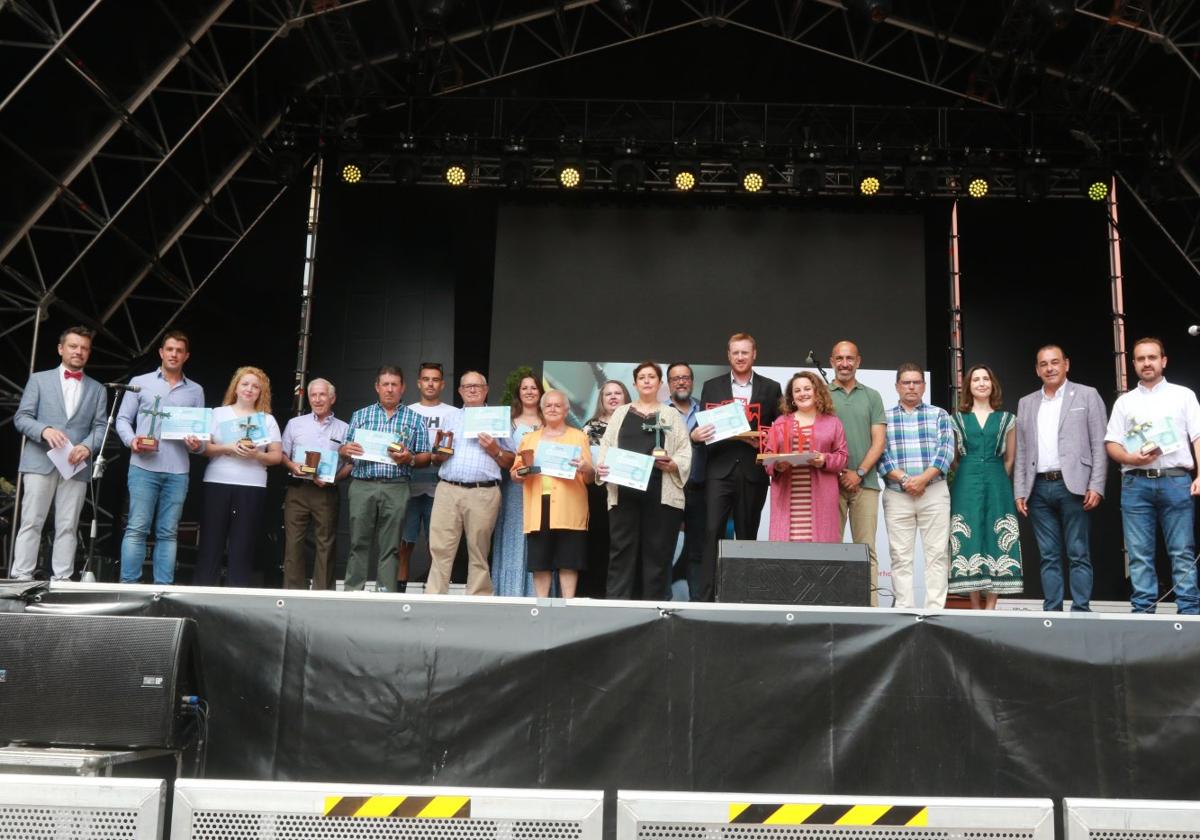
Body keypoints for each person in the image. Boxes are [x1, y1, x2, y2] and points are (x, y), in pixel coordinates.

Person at [1104, 337, 1200, 615]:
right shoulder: (1125, 402)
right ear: (1133, 363)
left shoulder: (1183, 395)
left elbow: (1197, 436)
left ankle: (1190, 612)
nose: (1147, 363)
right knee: (1139, 554)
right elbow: (1111, 443)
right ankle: (1143, 613)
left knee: (1182, 551)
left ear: (1163, 361)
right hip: (1136, 482)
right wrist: (1129, 458)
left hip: (1176, 479)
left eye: (1152, 357)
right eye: (1141, 359)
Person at [1014, 345, 1108, 612]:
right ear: (1036, 369)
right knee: (1048, 556)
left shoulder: (1088, 395)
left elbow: (1099, 445)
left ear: (1066, 364)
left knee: (1078, 553)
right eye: (1043, 364)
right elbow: (1022, 450)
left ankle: (1080, 609)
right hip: (1039, 487)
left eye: (1055, 362)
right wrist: (1020, 490)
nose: (1050, 368)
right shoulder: (1027, 402)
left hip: (1075, 486)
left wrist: (1097, 486)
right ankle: (1052, 612)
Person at [11, 326, 107, 582]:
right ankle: (21, 577)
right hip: (40, 461)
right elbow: (21, 418)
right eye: (74, 346)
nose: (79, 351)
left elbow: (101, 427)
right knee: (31, 521)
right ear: (60, 349)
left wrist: (87, 446)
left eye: (84, 348)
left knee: (68, 525)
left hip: (76, 465)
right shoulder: (39, 379)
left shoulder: (98, 389)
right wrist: (44, 431)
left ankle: (63, 579)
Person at [695, 332, 782, 601]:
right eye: (736, 352)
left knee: (747, 534)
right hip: (718, 470)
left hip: (752, 470)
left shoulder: (771, 387)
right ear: (728, 355)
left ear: (754, 354)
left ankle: (744, 595)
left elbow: (779, 431)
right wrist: (696, 435)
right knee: (711, 534)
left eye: (745, 352)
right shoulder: (712, 385)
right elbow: (704, 426)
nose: (741, 357)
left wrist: (766, 443)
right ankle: (706, 597)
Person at [596, 363, 691, 600]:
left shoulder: (670, 414)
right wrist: (603, 467)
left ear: (660, 384)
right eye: (642, 377)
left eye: (652, 377)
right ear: (635, 383)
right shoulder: (621, 413)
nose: (647, 381)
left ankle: (655, 608)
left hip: (661, 491)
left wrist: (674, 463)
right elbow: (606, 447)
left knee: (658, 552)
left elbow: (684, 450)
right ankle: (617, 606)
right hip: (624, 492)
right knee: (621, 551)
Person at [116, 331, 205, 584]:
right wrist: (130, 439)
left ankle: (163, 589)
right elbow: (123, 419)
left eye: (179, 350)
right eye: (169, 349)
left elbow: (199, 437)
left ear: (186, 356)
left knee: (168, 532)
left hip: (178, 470)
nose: (174, 354)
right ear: (161, 352)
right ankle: (128, 587)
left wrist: (197, 444)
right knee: (137, 528)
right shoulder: (140, 381)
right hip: (143, 467)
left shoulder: (196, 391)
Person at [339, 365, 431, 593]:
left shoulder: (415, 419)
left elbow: (425, 457)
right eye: (385, 384)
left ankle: (386, 593)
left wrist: (409, 458)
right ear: (377, 387)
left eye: (394, 385)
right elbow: (345, 451)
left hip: (396, 486)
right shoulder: (361, 415)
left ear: (403, 388)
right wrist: (345, 450)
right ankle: (353, 591)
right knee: (358, 542)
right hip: (363, 485)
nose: (390, 389)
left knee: (391, 546)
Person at [425, 371, 516, 595]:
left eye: (477, 386)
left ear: (486, 390)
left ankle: (479, 598)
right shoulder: (451, 418)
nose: (472, 390)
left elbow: (512, 460)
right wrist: (439, 455)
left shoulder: (498, 418)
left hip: (483, 491)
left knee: (479, 550)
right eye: (467, 386)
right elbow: (436, 457)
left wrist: (495, 450)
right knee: (440, 549)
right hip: (448, 488)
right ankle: (434, 598)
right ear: (460, 391)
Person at [193, 366, 283, 586]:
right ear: (236, 387)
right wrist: (229, 447)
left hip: (252, 485)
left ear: (262, 392)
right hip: (218, 481)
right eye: (245, 384)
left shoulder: (267, 420)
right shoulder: (217, 413)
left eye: (255, 386)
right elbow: (204, 450)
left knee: (243, 543)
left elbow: (276, 457)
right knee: (211, 540)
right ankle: (203, 590)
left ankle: (237, 591)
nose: (249, 389)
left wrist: (256, 455)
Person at [879, 363, 955, 609]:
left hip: (933, 492)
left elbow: (945, 453)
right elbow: (881, 454)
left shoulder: (940, 415)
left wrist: (922, 480)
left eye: (916, 382)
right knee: (900, 557)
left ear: (924, 386)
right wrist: (905, 480)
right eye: (906, 382)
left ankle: (935, 611)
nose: (911, 386)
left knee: (937, 555)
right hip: (897, 494)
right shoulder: (884, 417)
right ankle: (904, 610)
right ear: (897, 386)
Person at [947, 365, 1022, 609]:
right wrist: (968, 473)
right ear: (968, 386)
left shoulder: (1007, 419)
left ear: (992, 384)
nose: (981, 383)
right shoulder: (957, 418)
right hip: (966, 480)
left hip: (997, 480)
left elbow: (1010, 458)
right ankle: (974, 605)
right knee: (969, 535)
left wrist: (998, 476)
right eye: (976, 379)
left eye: (985, 379)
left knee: (995, 535)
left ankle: (990, 605)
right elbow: (955, 458)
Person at [511, 390, 594, 598]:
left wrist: (585, 467)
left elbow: (590, 478)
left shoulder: (579, 437)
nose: (553, 409)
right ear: (542, 410)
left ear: (566, 410)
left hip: (570, 505)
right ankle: (542, 604)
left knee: (569, 560)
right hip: (539, 505)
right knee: (540, 560)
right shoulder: (529, 439)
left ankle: (569, 603)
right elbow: (515, 473)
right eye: (548, 405)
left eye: (558, 405)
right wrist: (524, 471)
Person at [828, 341, 887, 605]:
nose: (844, 363)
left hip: (867, 484)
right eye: (839, 358)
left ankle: (871, 608)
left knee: (866, 550)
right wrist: (841, 472)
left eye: (849, 358)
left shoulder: (872, 395)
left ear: (858, 361)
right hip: (830, 483)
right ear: (831, 361)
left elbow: (879, 441)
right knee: (831, 550)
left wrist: (859, 472)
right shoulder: (822, 394)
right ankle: (832, 604)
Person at [280, 378, 351, 590]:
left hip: (326, 492)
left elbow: (351, 465)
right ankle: (293, 594)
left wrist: (333, 478)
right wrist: (293, 466)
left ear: (332, 398)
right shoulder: (295, 424)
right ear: (308, 397)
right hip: (298, 490)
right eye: (313, 395)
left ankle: (323, 595)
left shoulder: (344, 428)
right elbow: (282, 454)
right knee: (293, 544)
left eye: (322, 395)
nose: (318, 399)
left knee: (326, 545)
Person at [763, 372, 848, 543]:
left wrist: (824, 459)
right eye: (797, 390)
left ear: (817, 392)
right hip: (788, 501)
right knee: (787, 555)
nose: (803, 393)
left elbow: (842, 457)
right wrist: (778, 466)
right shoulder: (780, 422)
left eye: (807, 388)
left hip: (822, 500)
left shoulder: (833, 422)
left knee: (821, 556)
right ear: (792, 397)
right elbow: (768, 456)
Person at [398, 362, 457, 593]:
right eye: (426, 379)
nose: (430, 383)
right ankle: (400, 590)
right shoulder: (407, 411)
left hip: (440, 488)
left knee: (437, 546)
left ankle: (433, 593)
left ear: (442, 384)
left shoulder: (453, 413)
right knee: (405, 544)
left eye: (435, 379)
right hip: (410, 486)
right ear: (418, 383)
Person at [491, 370, 542, 597]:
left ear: (541, 392)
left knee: (540, 538)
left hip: (544, 488)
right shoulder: (508, 422)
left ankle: (536, 592)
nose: (529, 392)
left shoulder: (550, 419)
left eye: (533, 387)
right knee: (513, 536)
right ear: (518, 393)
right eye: (525, 388)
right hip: (514, 488)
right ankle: (509, 592)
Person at [581, 379, 630, 597]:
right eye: (607, 394)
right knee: (598, 542)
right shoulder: (590, 427)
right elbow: (583, 459)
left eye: (617, 393)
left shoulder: (635, 425)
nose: (612, 397)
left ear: (626, 396)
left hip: (627, 491)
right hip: (597, 492)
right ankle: (595, 593)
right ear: (601, 399)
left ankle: (620, 593)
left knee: (622, 543)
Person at [667, 362, 705, 600]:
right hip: (669, 488)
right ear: (669, 384)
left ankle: (698, 602)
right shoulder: (660, 412)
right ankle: (662, 601)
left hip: (699, 487)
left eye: (685, 377)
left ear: (692, 381)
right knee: (664, 547)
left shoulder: (706, 411)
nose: (681, 382)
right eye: (675, 378)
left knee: (697, 550)